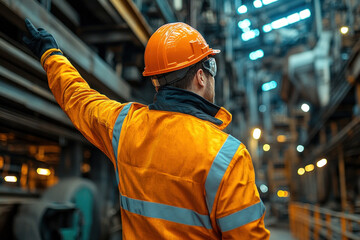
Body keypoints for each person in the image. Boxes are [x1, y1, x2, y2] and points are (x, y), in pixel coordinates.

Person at [23, 18, 270, 239]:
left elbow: (78, 98)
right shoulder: (227, 157)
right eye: (211, 67)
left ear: (156, 79)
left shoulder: (124, 127)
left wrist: (50, 54)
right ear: (200, 77)